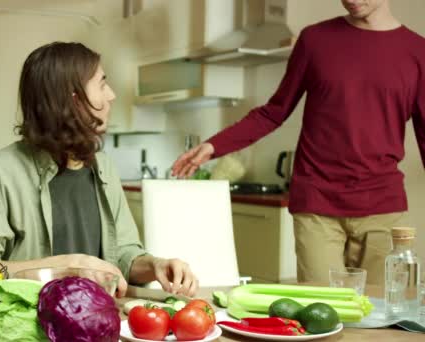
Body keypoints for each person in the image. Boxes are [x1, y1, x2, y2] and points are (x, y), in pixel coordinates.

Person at [172, 0, 425, 286]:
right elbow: (274, 111)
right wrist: (214, 146)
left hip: (383, 207)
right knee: (323, 313)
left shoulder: (418, 52)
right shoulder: (316, 40)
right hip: (317, 204)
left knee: (382, 317)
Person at [0, 42, 198, 297]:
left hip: (99, 318)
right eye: (102, 84)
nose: (112, 95)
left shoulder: (103, 166)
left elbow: (123, 253)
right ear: (73, 99)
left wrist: (155, 265)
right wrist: (67, 268)